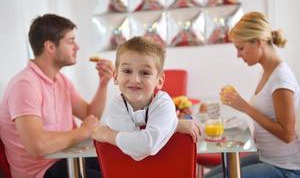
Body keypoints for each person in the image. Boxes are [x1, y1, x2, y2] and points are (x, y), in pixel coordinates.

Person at [0, 14, 114, 178]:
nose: (77, 47)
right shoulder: (24, 85)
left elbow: (90, 116)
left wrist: (103, 83)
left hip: (65, 159)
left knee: (119, 165)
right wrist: (83, 131)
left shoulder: (60, 80)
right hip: (41, 172)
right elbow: (37, 145)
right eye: (70, 41)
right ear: (50, 47)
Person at [205, 12, 300, 178]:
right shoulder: (267, 72)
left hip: (287, 168)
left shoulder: (280, 79)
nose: (238, 54)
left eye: (240, 48)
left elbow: (287, 134)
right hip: (267, 157)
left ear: (257, 42)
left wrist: (246, 108)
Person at [93, 36, 200, 161]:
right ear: (116, 77)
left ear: (159, 80)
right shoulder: (116, 105)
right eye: (127, 71)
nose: (135, 80)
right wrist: (172, 126)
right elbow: (136, 151)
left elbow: (145, 146)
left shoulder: (163, 103)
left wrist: (106, 134)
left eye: (145, 73)